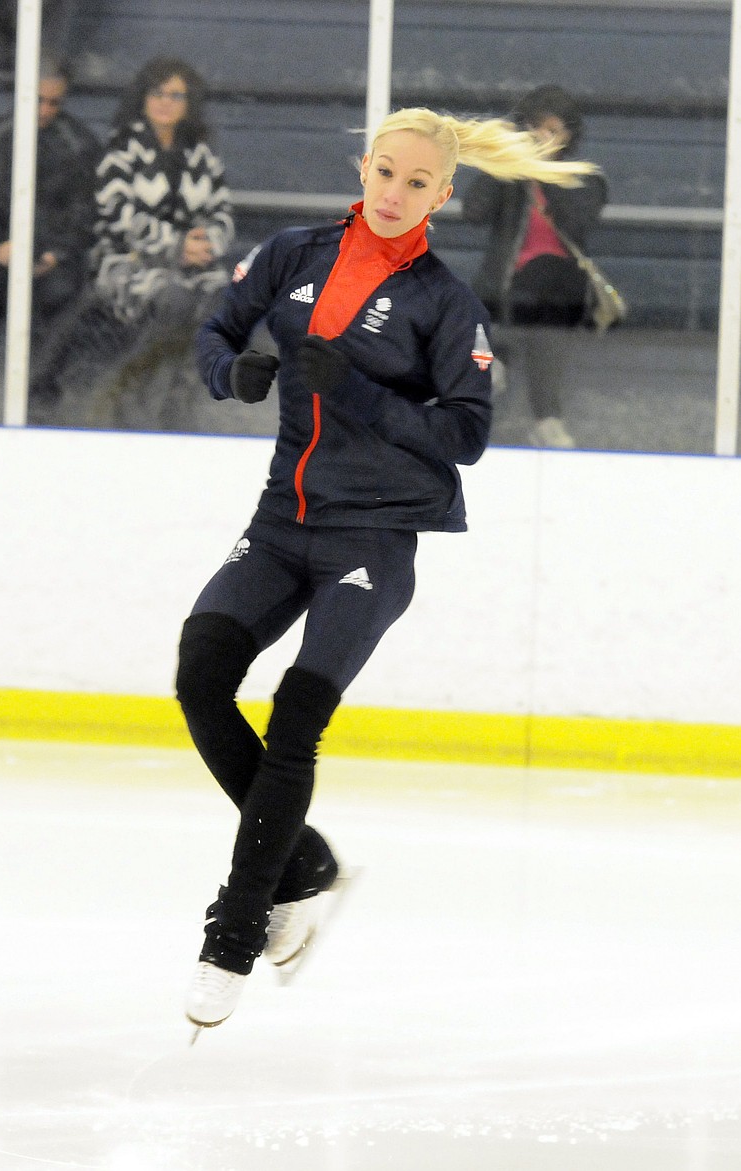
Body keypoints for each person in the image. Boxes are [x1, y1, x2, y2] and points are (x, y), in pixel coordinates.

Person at [173, 106, 597, 1033]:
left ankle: (235, 933)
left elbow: (467, 436)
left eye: (419, 184)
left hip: (374, 542)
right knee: (201, 673)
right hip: (282, 520)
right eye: (386, 173)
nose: (397, 194)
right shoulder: (294, 252)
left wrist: (358, 390)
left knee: (294, 718)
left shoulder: (447, 302)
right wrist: (230, 373)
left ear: (445, 195)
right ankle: (308, 863)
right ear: (363, 168)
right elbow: (217, 329)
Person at [33, 55, 235, 431]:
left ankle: (179, 399)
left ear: (189, 103)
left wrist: (205, 242)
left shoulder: (202, 155)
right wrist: (177, 246)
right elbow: (120, 219)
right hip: (127, 264)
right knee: (175, 297)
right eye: (157, 93)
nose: (165, 102)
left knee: (222, 299)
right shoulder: (119, 150)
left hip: (193, 266)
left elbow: (221, 213)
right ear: (143, 97)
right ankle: (132, 386)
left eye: (176, 95)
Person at [0, 58, 99, 423]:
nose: (45, 110)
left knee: (60, 297)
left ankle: (40, 403)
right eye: (37, 99)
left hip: (51, 260)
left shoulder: (79, 145)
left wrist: (54, 252)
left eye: (54, 102)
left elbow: (87, 210)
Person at [462, 84, 609, 449]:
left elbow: (575, 222)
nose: (542, 137)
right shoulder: (510, 175)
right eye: (535, 128)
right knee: (508, 317)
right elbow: (474, 212)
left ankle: (545, 416)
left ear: (568, 136)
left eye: (552, 130)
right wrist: (506, 163)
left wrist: (543, 169)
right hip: (508, 286)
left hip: (556, 289)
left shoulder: (585, 178)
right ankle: (492, 391)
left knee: (546, 325)